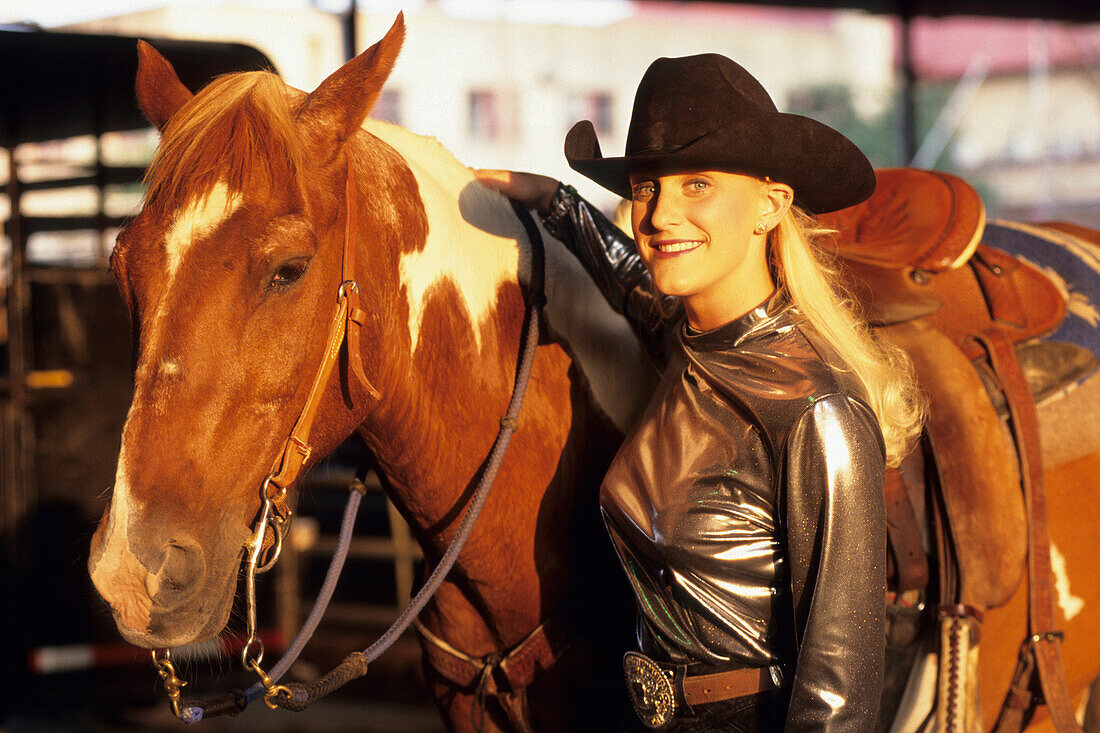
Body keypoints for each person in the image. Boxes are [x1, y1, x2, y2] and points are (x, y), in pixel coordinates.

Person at [477, 53, 924, 731]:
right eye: (648, 187)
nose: (659, 215)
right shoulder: (689, 343)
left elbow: (836, 702)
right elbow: (632, 282)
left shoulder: (816, 410)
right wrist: (558, 203)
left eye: (698, 185)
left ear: (771, 206)